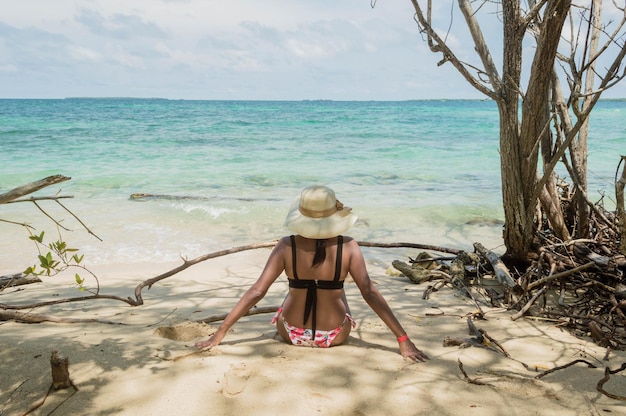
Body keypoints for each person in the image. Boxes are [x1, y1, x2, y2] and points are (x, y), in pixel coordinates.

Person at [194, 185, 429, 362]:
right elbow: (369, 292)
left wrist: (219, 333)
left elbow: (257, 291)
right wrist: (403, 340)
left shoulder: (287, 245)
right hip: (335, 335)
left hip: (291, 334)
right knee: (337, 288)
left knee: (296, 290)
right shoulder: (349, 246)